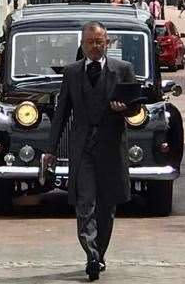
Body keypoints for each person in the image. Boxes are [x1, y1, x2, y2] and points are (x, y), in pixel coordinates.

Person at [44, 21, 136, 281]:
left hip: (110, 147)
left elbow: (136, 106)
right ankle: (91, 254)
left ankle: (100, 251)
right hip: (82, 147)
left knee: (106, 205)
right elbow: (61, 113)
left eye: (100, 42)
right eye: (90, 42)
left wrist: (124, 109)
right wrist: (50, 149)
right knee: (85, 202)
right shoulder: (72, 73)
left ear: (107, 43)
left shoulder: (123, 70)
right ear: (82, 45)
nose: (95, 46)